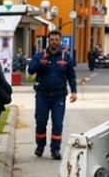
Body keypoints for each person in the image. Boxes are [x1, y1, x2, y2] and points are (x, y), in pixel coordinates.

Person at [27, 30, 78, 159]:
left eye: (56, 39)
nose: (54, 42)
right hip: (42, 95)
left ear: (60, 41)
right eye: (52, 39)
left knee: (57, 123)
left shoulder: (66, 57)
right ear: (48, 41)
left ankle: (55, 149)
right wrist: (40, 64)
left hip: (59, 96)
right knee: (40, 121)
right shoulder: (41, 55)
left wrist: (74, 92)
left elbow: (71, 76)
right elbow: (30, 70)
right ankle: (40, 146)